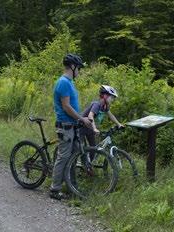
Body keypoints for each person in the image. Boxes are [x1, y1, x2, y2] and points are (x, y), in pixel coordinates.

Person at [50, 54, 92, 200]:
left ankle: (72, 187)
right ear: (72, 67)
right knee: (63, 157)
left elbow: (71, 106)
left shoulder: (70, 82)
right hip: (65, 126)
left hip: (73, 125)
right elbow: (66, 107)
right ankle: (54, 189)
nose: (79, 71)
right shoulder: (63, 82)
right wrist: (81, 118)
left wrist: (80, 119)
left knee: (73, 157)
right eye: (78, 68)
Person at [80, 85, 124, 162]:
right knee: (81, 148)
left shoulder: (105, 106)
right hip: (81, 127)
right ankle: (82, 165)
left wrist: (118, 124)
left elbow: (111, 115)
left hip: (89, 128)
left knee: (93, 148)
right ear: (105, 96)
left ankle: (89, 166)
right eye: (111, 97)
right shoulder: (97, 104)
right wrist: (94, 128)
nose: (112, 99)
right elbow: (90, 116)